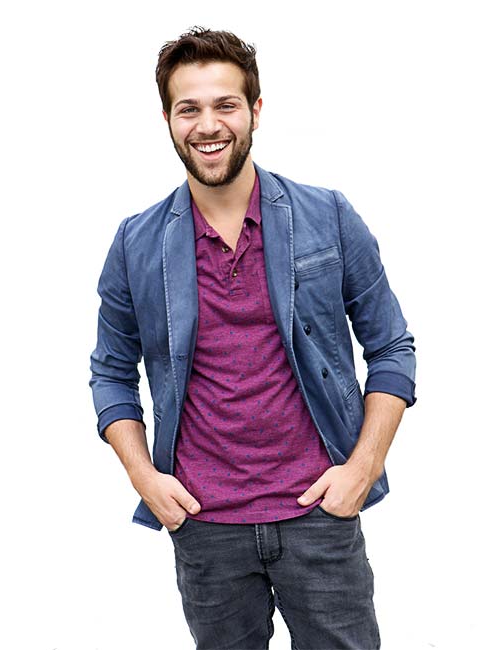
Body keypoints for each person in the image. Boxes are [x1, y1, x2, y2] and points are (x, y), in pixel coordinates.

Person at [89, 26, 416, 650]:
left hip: (319, 514)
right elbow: (110, 372)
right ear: (167, 119)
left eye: (226, 105)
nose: (208, 125)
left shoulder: (328, 215)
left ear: (256, 111)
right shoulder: (136, 243)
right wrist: (144, 477)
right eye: (189, 108)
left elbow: (392, 347)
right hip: (204, 525)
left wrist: (363, 467)